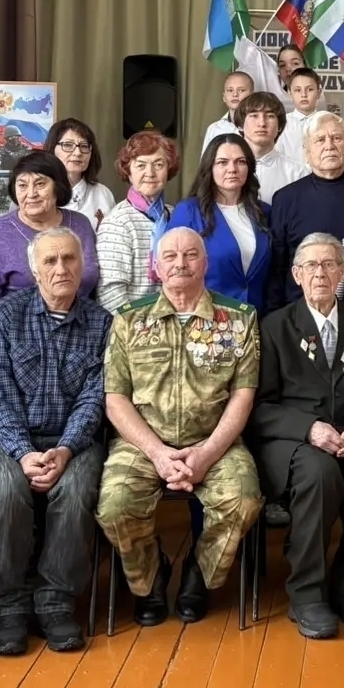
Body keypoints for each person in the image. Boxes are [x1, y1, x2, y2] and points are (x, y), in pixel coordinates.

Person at [98, 227, 263, 626]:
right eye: (169, 256)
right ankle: (151, 578)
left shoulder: (239, 320)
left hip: (216, 443)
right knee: (115, 506)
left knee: (244, 499)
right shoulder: (128, 320)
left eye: (190, 255)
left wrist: (206, 454)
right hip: (141, 444)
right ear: (155, 267)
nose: (180, 263)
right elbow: (115, 398)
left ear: (205, 264)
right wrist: (156, 452)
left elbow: (243, 395)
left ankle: (200, 574)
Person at [252, 235, 344, 639]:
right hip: (294, 443)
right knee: (319, 474)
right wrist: (308, 429)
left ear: (342, 272)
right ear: (297, 274)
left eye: (329, 264)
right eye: (311, 266)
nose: (320, 273)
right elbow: (260, 407)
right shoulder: (273, 327)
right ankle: (307, 592)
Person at [0, 227, 110, 656]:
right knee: (4, 494)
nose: (61, 269)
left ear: (83, 265)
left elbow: (95, 398)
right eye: (50, 261)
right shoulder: (3, 316)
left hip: (76, 440)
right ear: (34, 270)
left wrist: (66, 448)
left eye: (69, 259)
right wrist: (23, 453)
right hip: (14, 438)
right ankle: (9, 606)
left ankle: (55, 602)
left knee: (75, 494)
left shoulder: (103, 323)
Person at [0, 152, 100, 322]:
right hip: (18, 337)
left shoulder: (80, 224)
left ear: (58, 186)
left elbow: (93, 288)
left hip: (81, 331)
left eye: (40, 184)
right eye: (22, 185)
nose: (31, 194)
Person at [268, 113, 344, 307]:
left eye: (337, 138)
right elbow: (277, 268)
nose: (329, 145)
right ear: (307, 151)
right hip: (300, 311)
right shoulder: (286, 199)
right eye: (320, 139)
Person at [165, 134, 273, 308]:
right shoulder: (189, 211)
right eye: (222, 162)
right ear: (209, 167)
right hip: (206, 320)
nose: (232, 169)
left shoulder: (264, 212)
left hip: (258, 318)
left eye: (240, 161)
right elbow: (171, 270)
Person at [95, 129, 179, 315]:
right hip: (133, 330)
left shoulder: (176, 216)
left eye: (158, 164)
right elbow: (110, 293)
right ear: (128, 171)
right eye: (141, 165)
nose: (150, 173)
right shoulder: (117, 222)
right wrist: (144, 329)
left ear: (169, 169)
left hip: (175, 321)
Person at [45, 118, 114, 227]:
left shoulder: (102, 193)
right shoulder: (36, 192)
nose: (78, 153)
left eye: (84, 146)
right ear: (52, 149)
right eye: (68, 145)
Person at [201, 71, 255, 148]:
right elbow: (206, 159)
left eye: (241, 90)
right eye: (230, 90)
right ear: (224, 97)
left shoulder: (260, 126)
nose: (235, 94)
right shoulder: (214, 129)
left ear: (252, 95)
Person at [281, 67, 327, 155]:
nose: (303, 95)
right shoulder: (282, 123)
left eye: (310, 89)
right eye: (297, 90)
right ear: (290, 93)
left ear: (319, 92)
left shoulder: (328, 121)